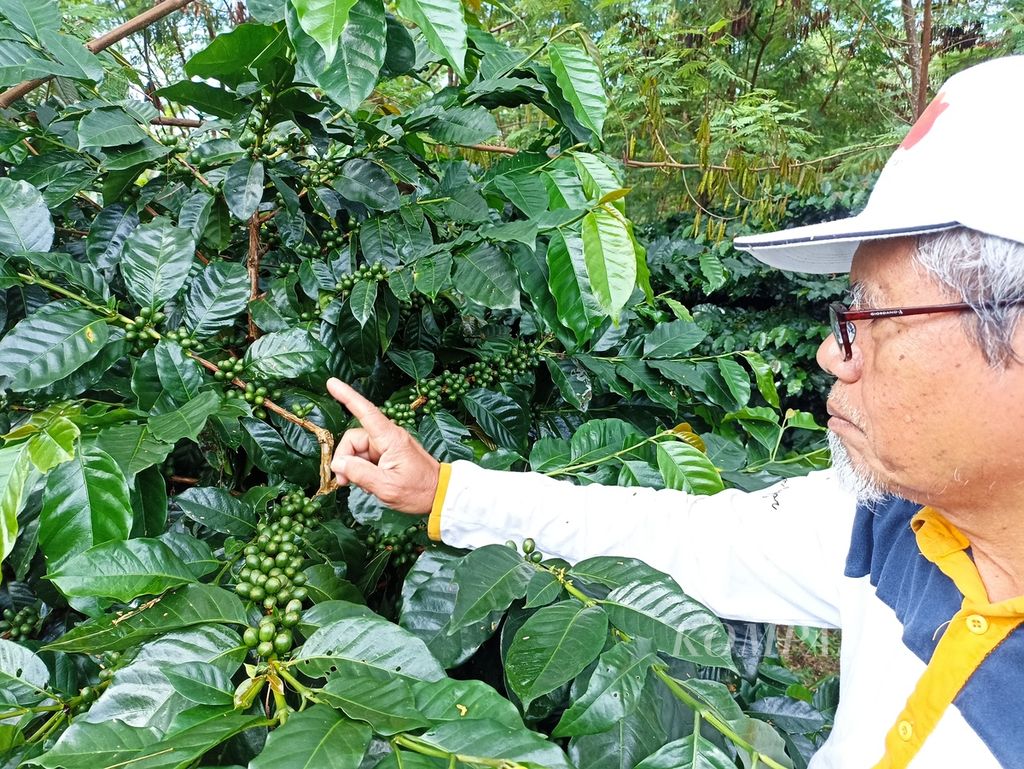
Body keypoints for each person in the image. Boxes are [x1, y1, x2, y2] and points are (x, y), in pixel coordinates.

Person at [325, 56, 1024, 769]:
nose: (830, 353)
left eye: (871, 314)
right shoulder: (888, 522)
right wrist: (443, 490)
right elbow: (684, 535)